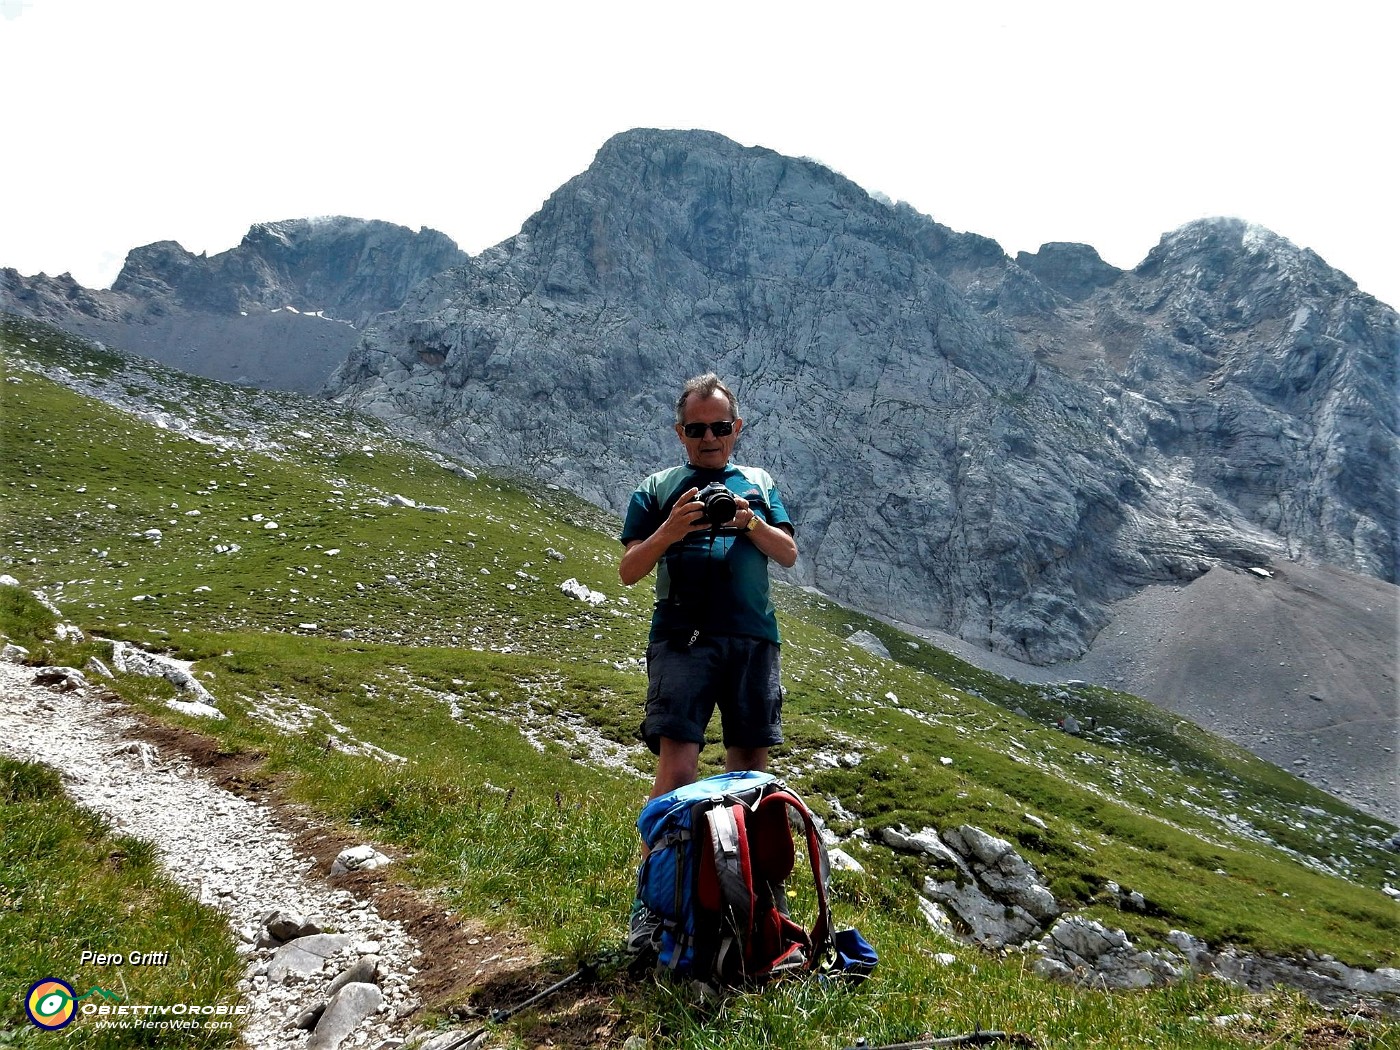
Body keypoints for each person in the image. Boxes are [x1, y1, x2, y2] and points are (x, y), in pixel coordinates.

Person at [619, 373, 798, 951]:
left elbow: (788, 554)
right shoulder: (656, 487)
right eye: (696, 429)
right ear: (680, 433)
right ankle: (659, 908)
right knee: (677, 771)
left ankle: (758, 907)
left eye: (720, 427)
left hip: (751, 639)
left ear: (736, 428)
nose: (709, 438)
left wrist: (749, 521)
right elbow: (628, 570)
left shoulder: (759, 483)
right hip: (681, 638)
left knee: (751, 773)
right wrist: (671, 529)